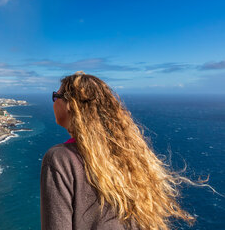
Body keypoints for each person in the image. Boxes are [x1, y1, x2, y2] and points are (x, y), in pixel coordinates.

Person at [41, 72, 195, 230]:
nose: (53, 102)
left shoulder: (60, 159)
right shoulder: (131, 157)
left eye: (56, 96)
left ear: (70, 105)